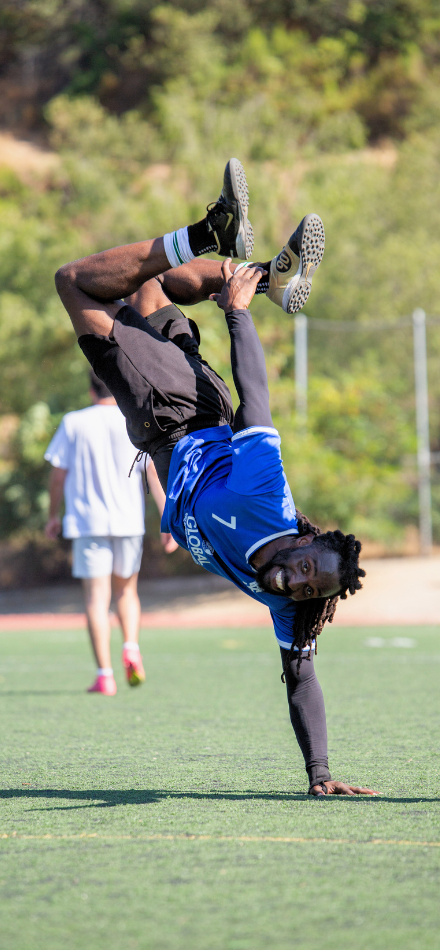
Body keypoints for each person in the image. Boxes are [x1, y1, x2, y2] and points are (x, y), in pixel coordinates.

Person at [53, 158, 376, 796]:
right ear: (308, 539)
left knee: (153, 289)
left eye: (312, 590)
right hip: (175, 414)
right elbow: (256, 400)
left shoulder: (291, 606)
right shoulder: (266, 501)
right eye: (310, 568)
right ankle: (222, 252)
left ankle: (247, 268)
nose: (301, 583)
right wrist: (236, 316)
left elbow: (302, 679)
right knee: (74, 284)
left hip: (187, 410)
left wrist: (320, 774)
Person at [44, 369, 178, 695]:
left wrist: (52, 515)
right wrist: (166, 518)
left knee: (96, 599)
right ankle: (130, 646)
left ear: (91, 391)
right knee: (127, 592)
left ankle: (105, 675)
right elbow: (153, 472)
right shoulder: (133, 421)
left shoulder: (73, 422)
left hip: (88, 523)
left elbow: (58, 476)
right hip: (128, 521)